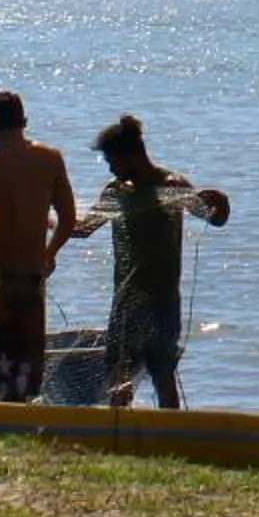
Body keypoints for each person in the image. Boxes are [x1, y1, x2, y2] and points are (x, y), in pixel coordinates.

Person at [70, 113, 229, 410]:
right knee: (119, 375)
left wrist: (221, 199)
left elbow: (215, 219)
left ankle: (170, 436)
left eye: (112, 162)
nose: (111, 169)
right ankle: (120, 433)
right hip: (126, 301)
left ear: (131, 156)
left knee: (162, 374)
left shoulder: (172, 186)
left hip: (163, 300)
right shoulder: (117, 191)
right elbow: (83, 229)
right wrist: (50, 218)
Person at [0, 89, 79, 401]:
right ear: (23, 120)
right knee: (25, 359)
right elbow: (68, 218)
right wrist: (49, 254)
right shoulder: (50, 160)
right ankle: (20, 410)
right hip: (29, 275)